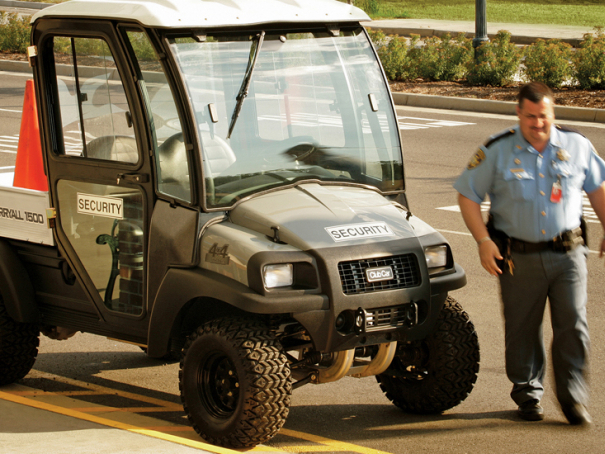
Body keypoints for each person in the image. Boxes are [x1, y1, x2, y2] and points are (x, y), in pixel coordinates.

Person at [454, 81, 605, 426]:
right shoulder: (497, 150)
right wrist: (483, 241)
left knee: (573, 326)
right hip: (517, 258)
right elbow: (468, 195)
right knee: (523, 328)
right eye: (531, 117)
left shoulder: (577, 145)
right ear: (518, 114)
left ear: (553, 113)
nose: (538, 124)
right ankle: (527, 393)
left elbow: (597, 186)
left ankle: (573, 400)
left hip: (568, 254)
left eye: (544, 117)